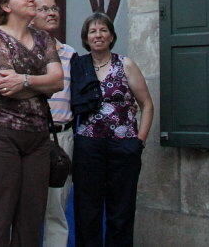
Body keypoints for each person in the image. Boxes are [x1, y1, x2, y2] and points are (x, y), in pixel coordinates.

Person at [0, 0, 63, 246]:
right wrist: (40, 84)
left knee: (31, 221)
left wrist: (24, 80)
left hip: (37, 137)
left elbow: (58, 81)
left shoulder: (44, 39)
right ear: (5, 5)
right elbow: (4, 86)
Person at [71, 13, 153, 246]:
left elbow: (147, 104)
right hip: (88, 146)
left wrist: (139, 141)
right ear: (86, 38)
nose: (98, 35)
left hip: (123, 145)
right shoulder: (79, 66)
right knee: (87, 210)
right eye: (93, 31)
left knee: (121, 209)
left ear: (111, 35)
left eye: (103, 30)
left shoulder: (125, 64)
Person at [33, 0, 76, 247]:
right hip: (31, 135)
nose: (51, 13)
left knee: (56, 206)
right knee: (26, 204)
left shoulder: (70, 54)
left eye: (54, 8)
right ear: (31, 16)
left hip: (62, 137)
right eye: (44, 9)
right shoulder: (23, 51)